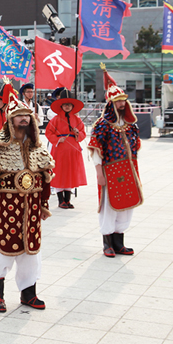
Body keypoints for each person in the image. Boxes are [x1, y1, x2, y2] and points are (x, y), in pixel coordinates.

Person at [0, 80, 54, 312]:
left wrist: (44, 205)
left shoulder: (37, 146)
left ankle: (29, 294)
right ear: (10, 120)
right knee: (2, 252)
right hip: (7, 206)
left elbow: (46, 176)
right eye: (19, 116)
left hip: (32, 206)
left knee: (31, 253)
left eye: (27, 116)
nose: (24, 119)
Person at [87, 64, 142, 258]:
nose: (121, 104)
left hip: (128, 170)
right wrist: (99, 173)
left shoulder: (129, 125)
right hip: (110, 171)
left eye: (123, 101)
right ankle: (107, 243)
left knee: (126, 205)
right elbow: (95, 150)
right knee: (109, 206)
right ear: (111, 103)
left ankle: (119, 243)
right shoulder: (102, 125)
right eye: (117, 101)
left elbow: (137, 148)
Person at [45, 88, 87, 209]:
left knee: (71, 173)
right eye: (65, 104)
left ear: (72, 106)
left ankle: (67, 200)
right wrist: (58, 140)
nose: (67, 107)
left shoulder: (77, 119)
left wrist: (77, 132)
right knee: (59, 173)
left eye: (69, 105)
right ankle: (60, 200)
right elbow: (49, 133)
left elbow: (83, 133)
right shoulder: (56, 119)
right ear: (61, 105)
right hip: (60, 149)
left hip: (73, 150)